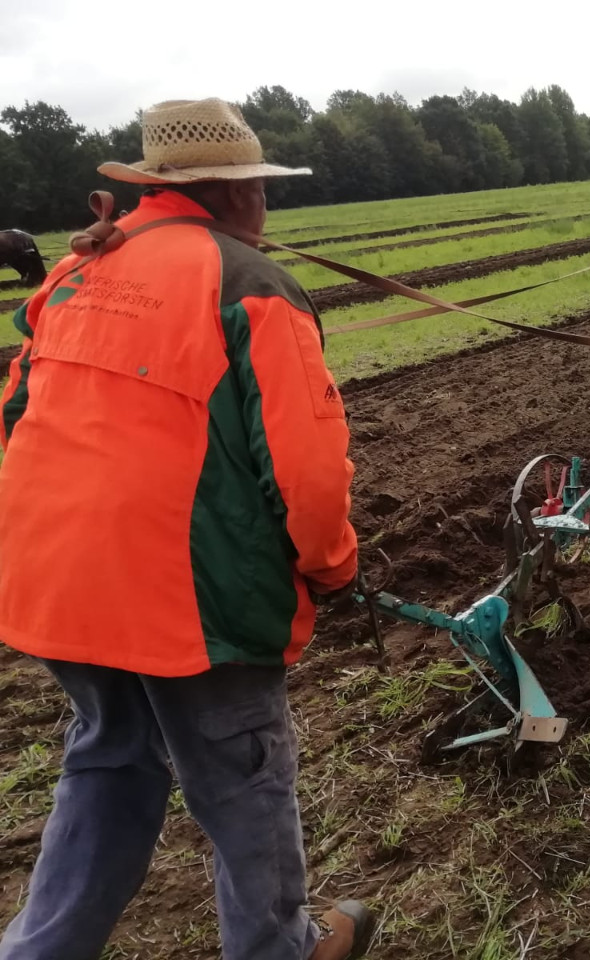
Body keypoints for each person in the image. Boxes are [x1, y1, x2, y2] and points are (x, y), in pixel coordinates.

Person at [0, 98, 375, 960]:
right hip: (185, 600)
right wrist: (333, 567)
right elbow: (308, 473)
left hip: (51, 579)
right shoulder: (250, 283)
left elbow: (17, 410)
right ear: (239, 192)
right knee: (243, 776)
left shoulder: (81, 271)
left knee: (107, 760)